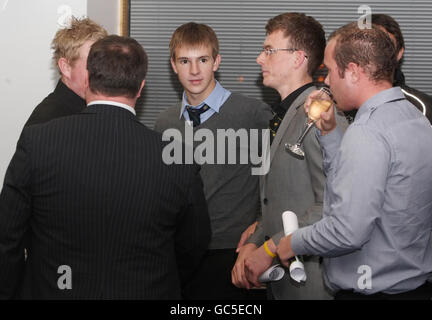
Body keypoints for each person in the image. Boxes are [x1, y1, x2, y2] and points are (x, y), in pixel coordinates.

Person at [0, 35, 211, 299]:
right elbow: (194, 243)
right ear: (140, 87)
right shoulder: (178, 156)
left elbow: (7, 237)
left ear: (88, 79)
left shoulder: (38, 142)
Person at [275, 22, 432, 300]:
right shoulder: (414, 118)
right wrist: (331, 132)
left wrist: (292, 243)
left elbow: (348, 231)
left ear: (353, 72)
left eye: (330, 71)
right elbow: (354, 187)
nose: (325, 81)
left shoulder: (368, 131)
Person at [232, 12, 347, 300]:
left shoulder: (320, 111)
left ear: (298, 58)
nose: (259, 58)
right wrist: (253, 243)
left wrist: (269, 248)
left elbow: (331, 205)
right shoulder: (284, 113)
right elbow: (280, 198)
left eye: (269, 50)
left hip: (313, 284)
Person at [154, 22, 273, 300]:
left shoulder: (253, 114)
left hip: (234, 253)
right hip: (179, 255)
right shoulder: (165, 123)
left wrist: (260, 226)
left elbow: (277, 178)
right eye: (185, 61)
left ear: (216, 62)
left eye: (203, 60)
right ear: (173, 65)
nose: (194, 71)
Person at [25, 16, 107, 126]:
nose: (102, 70)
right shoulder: (47, 123)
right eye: (92, 62)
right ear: (66, 67)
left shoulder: (98, 109)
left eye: (104, 62)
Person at [372, 14, 431, 124]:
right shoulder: (341, 102)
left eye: (386, 47)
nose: (376, 55)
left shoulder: (422, 108)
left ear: (399, 53)